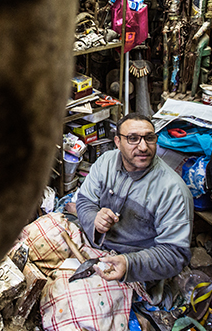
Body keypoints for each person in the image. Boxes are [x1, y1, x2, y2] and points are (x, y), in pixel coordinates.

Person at [75, 112, 193, 283]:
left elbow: (175, 254)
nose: (143, 147)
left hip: (133, 267)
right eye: (133, 138)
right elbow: (85, 200)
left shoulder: (173, 191)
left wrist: (129, 264)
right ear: (118, 142)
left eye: (149, 138)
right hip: (93, 243)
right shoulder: (106, 161)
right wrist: (95, 220)